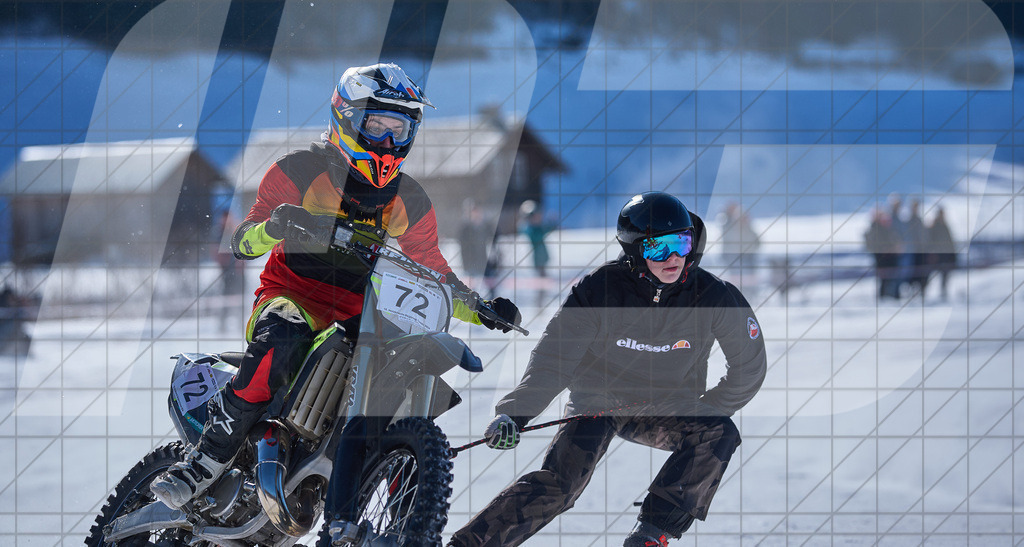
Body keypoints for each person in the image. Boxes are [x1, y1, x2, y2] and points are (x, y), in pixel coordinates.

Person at [150, 63, 521, 509]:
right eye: (376, 125)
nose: (386, 141)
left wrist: (481, 308)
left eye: (397, 129)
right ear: (346, 117)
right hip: (290, 297)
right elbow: (242, 242)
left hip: (361, 314)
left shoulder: (410, 198)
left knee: (399, 369)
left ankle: (403, 504)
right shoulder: (298, 171)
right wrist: (278, 223)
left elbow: (433, 270)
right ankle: (205, 460)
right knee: (282, 337)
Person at [448, 192, 767, 547]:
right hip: (597, 401)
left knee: (718, 433)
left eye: (681, 242)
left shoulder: (714, 296)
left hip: (664, 405)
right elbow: (554, 360)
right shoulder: (599, 290)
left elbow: (748, 369)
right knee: (562, 485)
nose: (674, 257)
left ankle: (651, 534)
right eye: (658, 248)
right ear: (634, 250)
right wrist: (513, 413)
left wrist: (706, 408)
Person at [927, 206, 957, 301]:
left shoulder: (945, 225)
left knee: (945, 274)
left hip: (946, 254)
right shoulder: (934, 226)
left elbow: (950, 240)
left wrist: (953, 253)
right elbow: (930, 240)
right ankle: (924, 292)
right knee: (928, 273)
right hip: (937, 255)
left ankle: (943, 291)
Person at [520, 200, 554, 278]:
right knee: (540, 274)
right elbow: (537, 234)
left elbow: (548, 228)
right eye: (535, 216)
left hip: (543, 255)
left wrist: (552, 222)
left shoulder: (538, 228)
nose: (538, 218)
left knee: (543, 273)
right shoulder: (530, 229)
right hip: (538, 257)